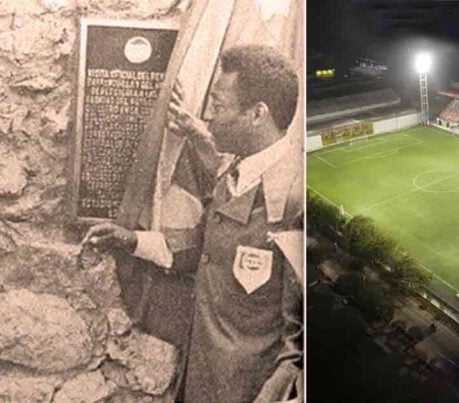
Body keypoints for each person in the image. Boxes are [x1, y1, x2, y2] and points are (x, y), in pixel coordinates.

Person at [85, 45, 303, 402]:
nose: (209, 117)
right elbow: (203, 249)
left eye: (218, 105)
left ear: (257, 114)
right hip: (202, 379)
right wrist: (131, 240)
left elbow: (299, 347)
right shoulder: (234, 174)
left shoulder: (294, 198)